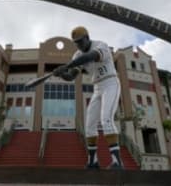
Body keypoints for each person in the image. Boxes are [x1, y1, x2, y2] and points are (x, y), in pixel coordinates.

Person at [53, 26, 123, 170]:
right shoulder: (77, 55)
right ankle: (93, 161)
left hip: (110, 83)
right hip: (97, 87)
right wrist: (61, 73)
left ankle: (117, 162)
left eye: (80, 41)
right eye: (76, 42)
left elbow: (90, 56)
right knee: (89, 125)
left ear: (87, 38)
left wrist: (66, 65)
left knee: (106, 119)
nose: (79, 44)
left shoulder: (100, 45)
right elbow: (71, 76)